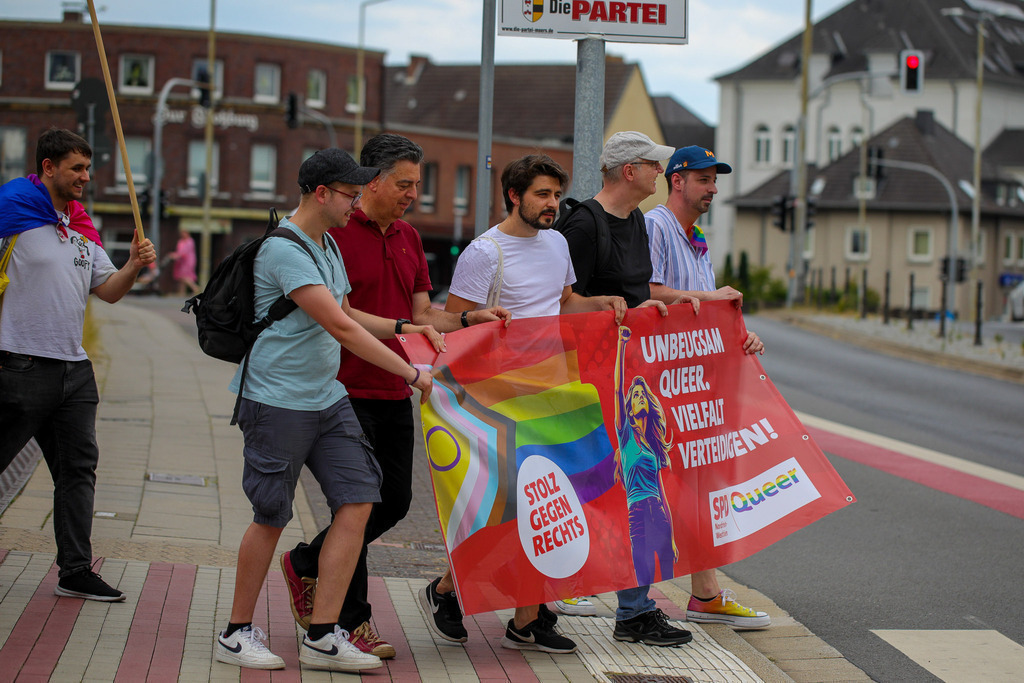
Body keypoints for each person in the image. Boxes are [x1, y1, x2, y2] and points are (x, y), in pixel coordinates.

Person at [277, 134, 509, 660]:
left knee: (395, 502)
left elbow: (424, 316)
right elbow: (339, 316)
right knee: (355, 504)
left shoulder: (407, 236)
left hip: (393, 389)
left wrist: (470, 319)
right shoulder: (336, 236)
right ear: (372, 181)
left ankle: (306, 563)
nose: (412, 195)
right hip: (341, 391)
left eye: (417, 186)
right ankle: (349, 622)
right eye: (404, 184)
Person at [213, 148, 437, 672]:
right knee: (271, 516)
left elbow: (347, 310)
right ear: (322, 193)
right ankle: (236, 631)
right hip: (277, 400)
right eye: (349, 193)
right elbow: (339, 328)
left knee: (359, 501)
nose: (355, 202)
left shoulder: (327, 243)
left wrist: (405, 327)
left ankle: (322, 634)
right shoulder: (283, 250)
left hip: (326, 397)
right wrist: (410, 372)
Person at [420, 153, 653, 654]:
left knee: (553, 506)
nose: (551, 205)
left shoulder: (557, 244)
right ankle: (448, 589)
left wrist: (604, 303)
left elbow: (565, 302)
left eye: (555, 195)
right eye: (542, 195)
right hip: (499, 399)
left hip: (554, 391)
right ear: (514, 196)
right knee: (511, 509)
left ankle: (526, 620)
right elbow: (452, 326)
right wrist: (481, 318)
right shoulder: (484, 253)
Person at [0, 128, 156, 602]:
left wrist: (132, 265)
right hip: (20, 367)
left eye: (88, 169)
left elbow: (107, 292)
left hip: (75, 371)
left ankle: (75, 570)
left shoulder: (80, 227)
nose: (85, 178)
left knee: (77, 472)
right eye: (77, 169)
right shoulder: (13, 215)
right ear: (48, 167)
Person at [560, 131, 697, 647]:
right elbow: (559, 302)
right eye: (653, 164)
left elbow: (635, 294)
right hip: (582, 382)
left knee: (639, 489)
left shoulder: (637, 221)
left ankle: (635, 611)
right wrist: (605, 307)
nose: (661, 172)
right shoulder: (582, 224)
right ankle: (466, 592)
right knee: (579, 495)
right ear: (628, 171)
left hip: (627, 380)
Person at [645, 145, 770, 629]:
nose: (713, 189)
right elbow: (646, 292)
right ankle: (580, 589)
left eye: (715, 181)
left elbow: (709, 313)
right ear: (677, 181)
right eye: (704, 179)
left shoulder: (697, 241)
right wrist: (706, 296)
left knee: (699, 487)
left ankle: (706, 594)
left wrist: (741, 336)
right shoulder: (656, 227)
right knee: (650, 486)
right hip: (661, 381)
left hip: (695, 382)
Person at [613, 326, 677, 590]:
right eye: (635, 395)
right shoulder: (625, 434)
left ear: (649, 405)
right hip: (637, 513)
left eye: (643, 395)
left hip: (658, 512)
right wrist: (622, 344)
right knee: (644, 577)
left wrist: (672, 537)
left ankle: (668, 622)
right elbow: (617, 390)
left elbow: (662, 492)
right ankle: (643, 615)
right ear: (630, 406)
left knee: (669, 574)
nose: (639, 397)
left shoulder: (653, 445)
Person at [168, 228, 198, 296]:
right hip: (181, 261)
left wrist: (176, 255)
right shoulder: (181, 241)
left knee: (185, 276)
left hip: (187, 260)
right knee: (180, 276)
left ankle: (195, 288)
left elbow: (184, 252)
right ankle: (181, 292)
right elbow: (179, 251)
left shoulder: (190, 241)